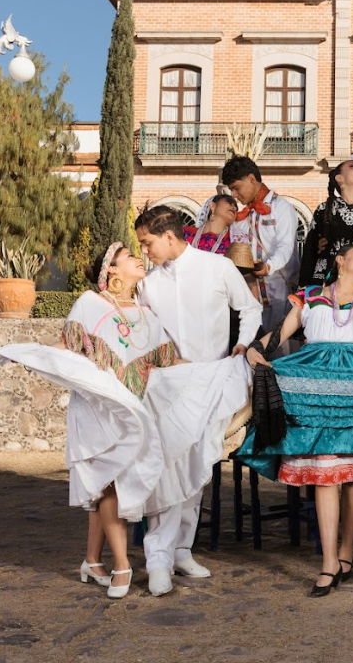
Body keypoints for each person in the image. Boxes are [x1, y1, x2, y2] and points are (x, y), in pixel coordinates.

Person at [237, 243, 353, 597]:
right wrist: (256, 347)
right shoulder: (307, 296)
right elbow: (282, 331)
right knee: (326, 473)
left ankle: (345, 554)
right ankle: (328, 563)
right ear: (339, 261)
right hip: (315, 389)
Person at [0, 243, 177, 600]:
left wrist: (219, 370)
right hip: (95, 408)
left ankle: (92, 562)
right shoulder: (90, 304)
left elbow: (168, 360)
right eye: (129, 257)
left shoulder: (146, 313)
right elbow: (70, 347)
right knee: (109, 483)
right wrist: (35, 356)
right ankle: (123, 566)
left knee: (104, 485)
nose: (138, 259)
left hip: (130, 407)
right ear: (112, 270)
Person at [136, 205, 263, 597]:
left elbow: (250, 308)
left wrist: (242, 345)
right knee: (167, 467)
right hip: (167, 385)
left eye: (147, 243)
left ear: (169, 236)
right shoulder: (148, 284)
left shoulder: (217, 267)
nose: (144, 252)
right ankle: (158, 557)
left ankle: (180, 550)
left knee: (197, 468)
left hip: (212, 379)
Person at [223, 155, 300, 331]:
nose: (234, 195)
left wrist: (269, 266)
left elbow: (285, 246)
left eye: (236, 188)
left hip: (282, 296)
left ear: (251, 178)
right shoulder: (240, 218)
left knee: (281, 353)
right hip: (251, 301)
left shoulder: (281, 207)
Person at [298, 155, 353, 292]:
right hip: (326, 283)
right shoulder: (323, 209)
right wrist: (303, 289)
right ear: (339, 178)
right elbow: (309, 253)